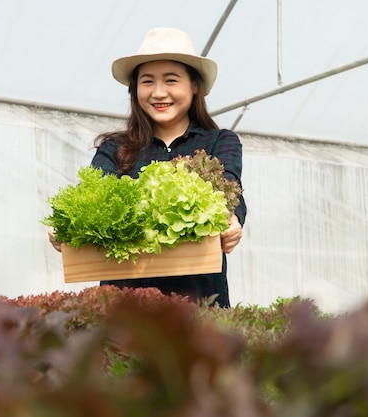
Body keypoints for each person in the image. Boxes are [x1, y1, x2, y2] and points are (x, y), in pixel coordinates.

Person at [48, 27, 246, 307]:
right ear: (135, 89)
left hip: (198, 300)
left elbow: (230, 186)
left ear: (194, 85)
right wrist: (66, 228)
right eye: (148, 81)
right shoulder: (114, 148)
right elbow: (90, 195)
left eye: (171, 80)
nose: (159, 92)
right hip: (125, 305)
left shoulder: (220, 142)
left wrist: (233, 220)